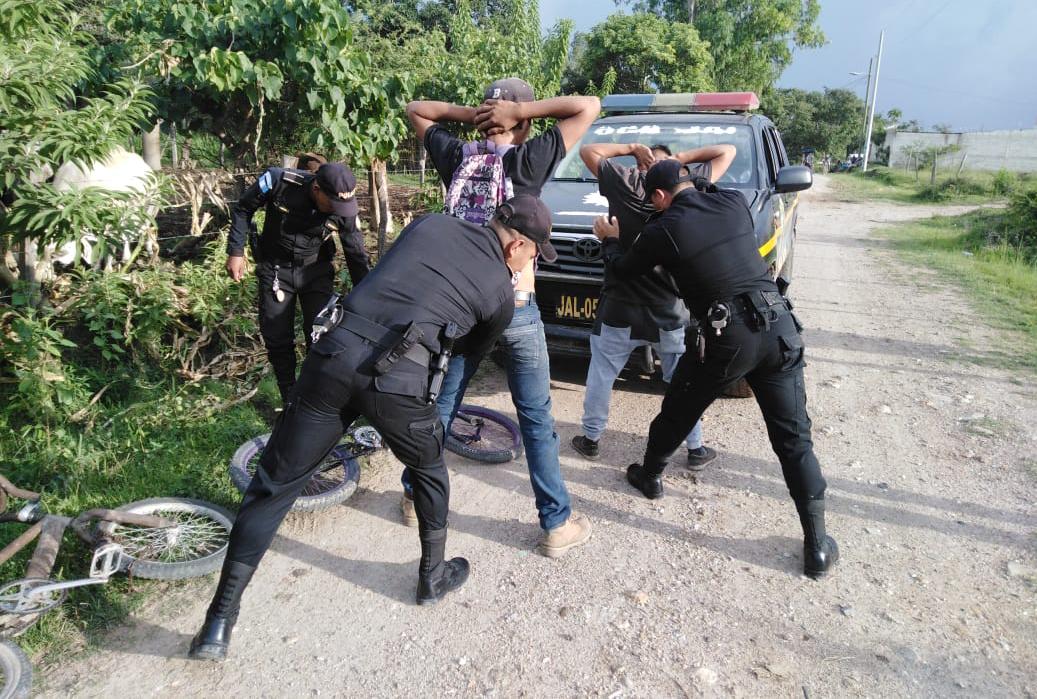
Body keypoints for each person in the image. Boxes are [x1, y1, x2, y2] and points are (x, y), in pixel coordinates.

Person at [190, 195, 558, 661]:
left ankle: (218, 622)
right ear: (516, 246)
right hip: (398, 385)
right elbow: (467, 350)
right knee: (429, 469)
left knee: (273, 485)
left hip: (333, 355)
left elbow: (392, 275)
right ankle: (432, 577)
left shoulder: (431, 224)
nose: (531, 264)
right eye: (534, 255)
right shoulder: (501, 295)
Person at [592, 157, 839, 579]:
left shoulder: (663, 230)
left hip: (727, 336)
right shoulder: (732, 203)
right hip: (779, 327)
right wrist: (681, 171)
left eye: (654, 199)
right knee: (794, 440)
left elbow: (623, 271)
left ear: (658, 196)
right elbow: (707, 187)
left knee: (679, 409)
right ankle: (816, 545)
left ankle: (650, 475)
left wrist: (611, 241)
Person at [404, 79, 599, 558]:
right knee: (535, 417)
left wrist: (473, 114)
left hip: (464, 306)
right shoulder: (529, 159)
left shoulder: (458, 156)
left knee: (442, 405)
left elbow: (416, 109)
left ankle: (413, 498)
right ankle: (556, 525)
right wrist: (519, 112)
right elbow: (588, 106)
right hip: (516, 307)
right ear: (524, 121)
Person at [570, 141, 735, 471]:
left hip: (620, 307)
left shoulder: (626, 184)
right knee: (682, 383)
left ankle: (591, 439)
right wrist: (680, 159)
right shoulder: (686, 193)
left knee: (602, 375)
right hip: (669, 312)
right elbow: (726, 152)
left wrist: (632, 148)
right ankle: (696, 448)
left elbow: (588, 151)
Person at [227, 162, 371, 404]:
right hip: (275, 269)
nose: (337, 210)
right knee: (277, 338)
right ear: (317, 189)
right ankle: (289, 397)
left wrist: (367, 296)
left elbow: (355, 252)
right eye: (333, 204)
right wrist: (236, 251)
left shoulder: (343, 206)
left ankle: (313, 396)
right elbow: (243, 209)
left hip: (316, 270)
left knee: (321, 335)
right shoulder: (278, 181)